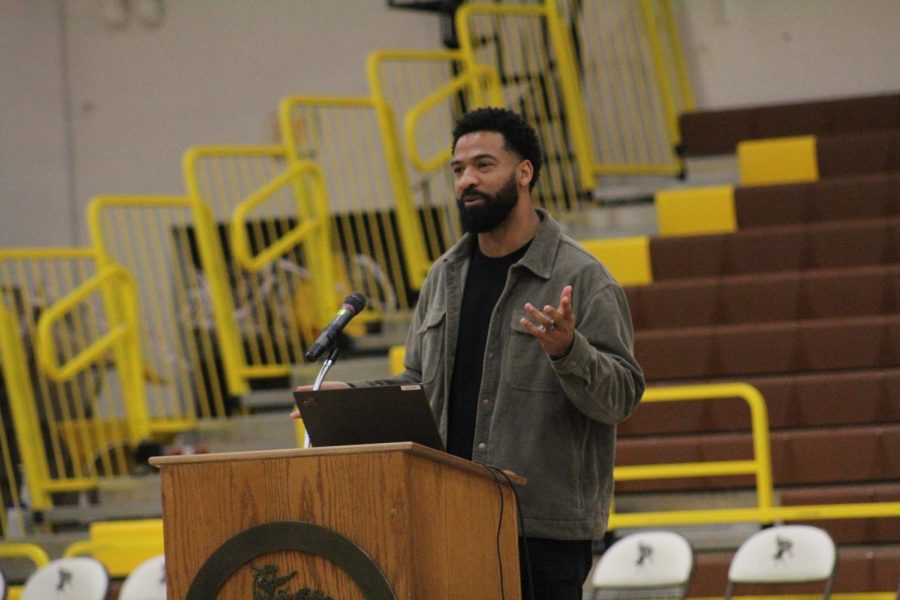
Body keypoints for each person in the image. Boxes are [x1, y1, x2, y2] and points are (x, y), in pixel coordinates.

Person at [295, 107, 644, 599]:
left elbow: (622, 396)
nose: (467, 181)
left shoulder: (581, 278)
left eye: (484, 165)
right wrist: (347, 396)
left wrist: (569, 351)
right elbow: (419, 385)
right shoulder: (444, 276)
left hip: (537, 533)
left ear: (524, 173)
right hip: (444, 520)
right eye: (458, 170)